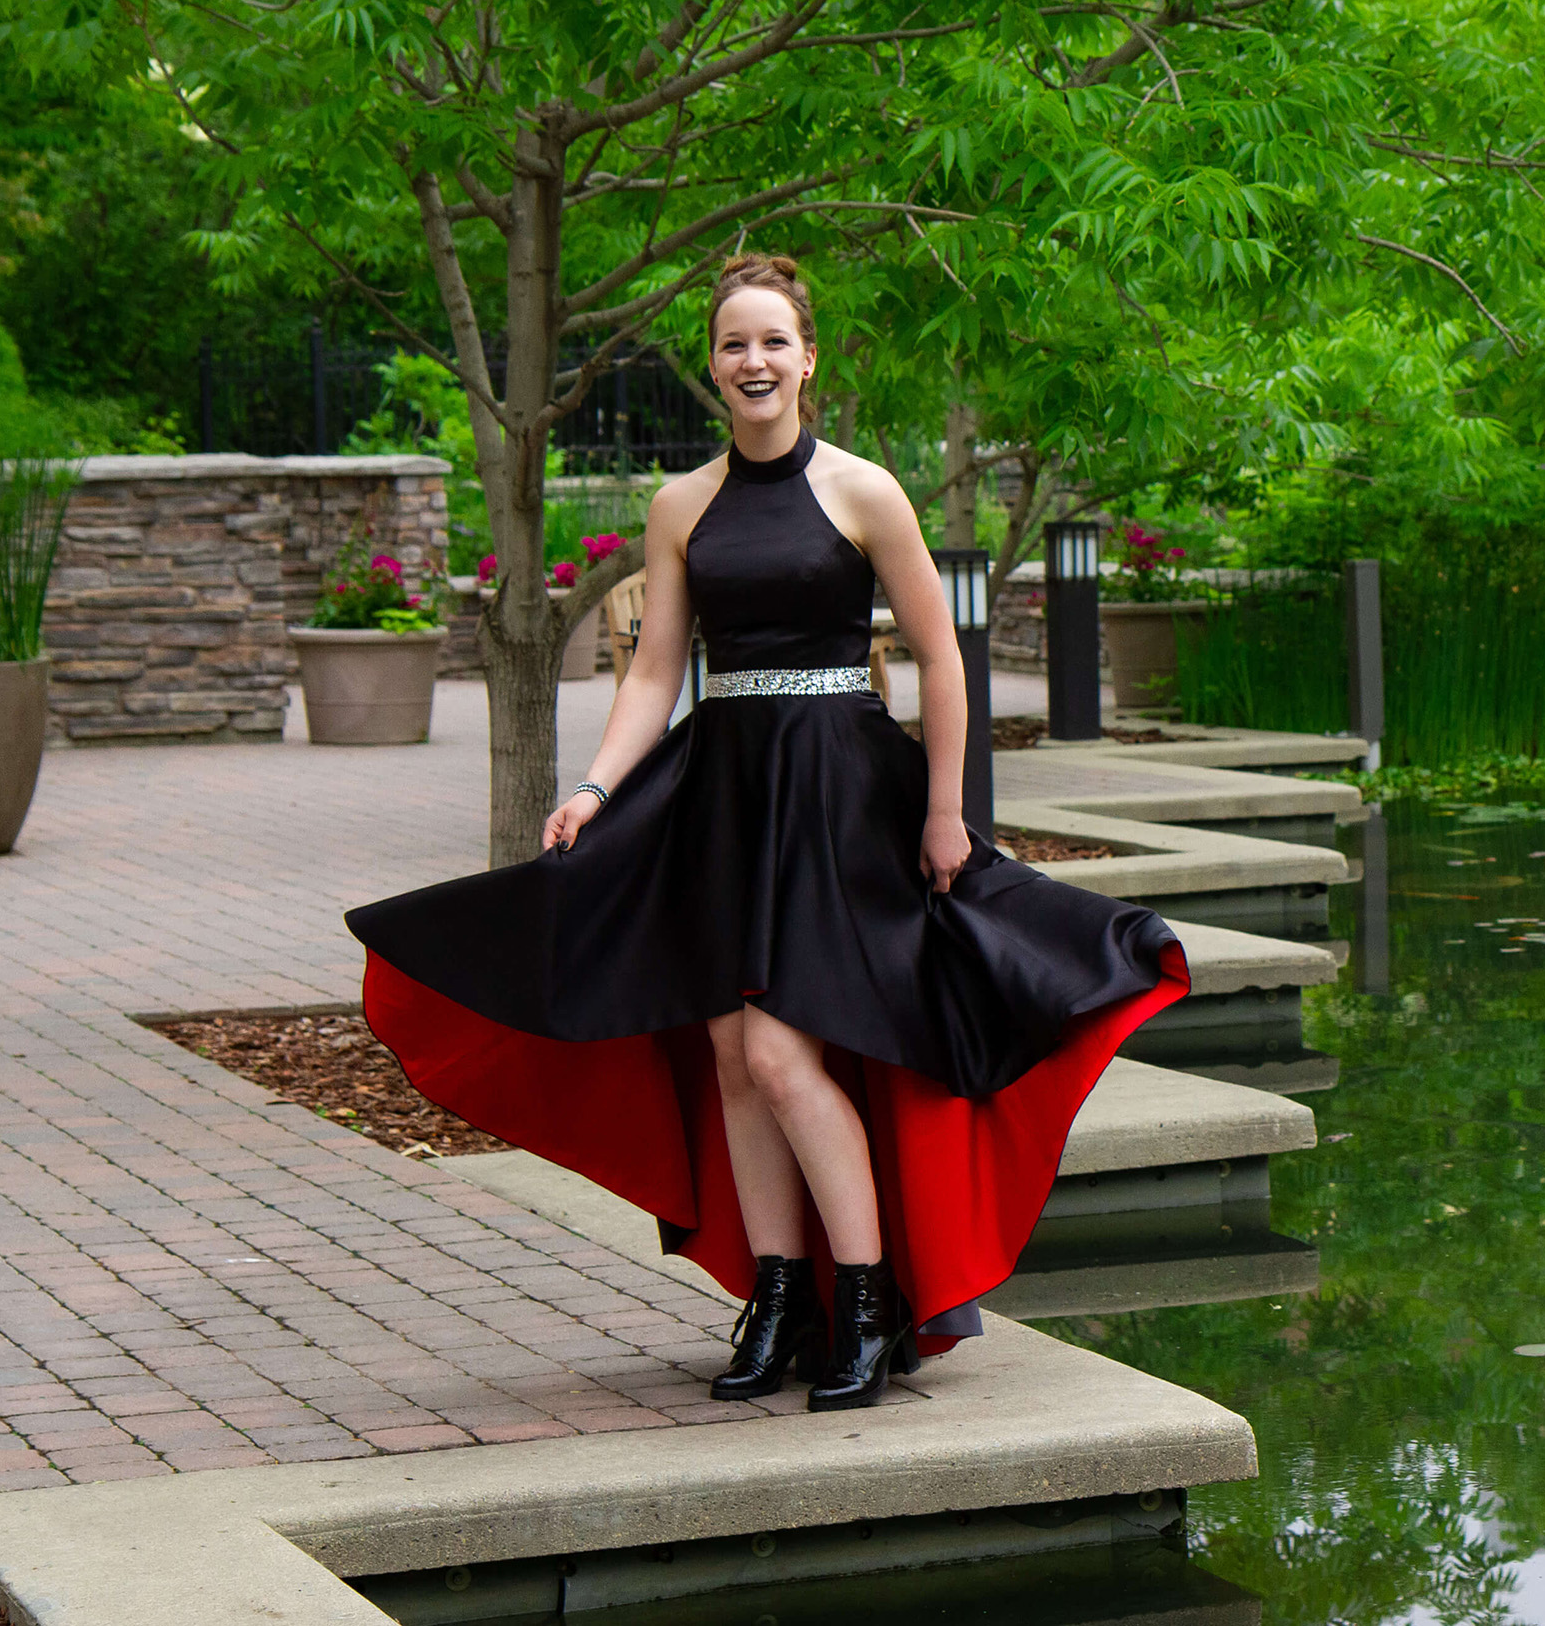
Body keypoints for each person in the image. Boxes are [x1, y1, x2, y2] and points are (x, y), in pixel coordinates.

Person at [346, 254, 1187, 1413]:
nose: (754, 361)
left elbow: (943, 659)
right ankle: (780, 1298)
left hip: (838, 787)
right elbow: (654, 669)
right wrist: (594, 786)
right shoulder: (679, 504)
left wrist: (946, 809)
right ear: (712, 366)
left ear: (807, 358)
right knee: (734, 1057)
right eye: (734, 344)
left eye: (773, 342)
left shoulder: (863, 490)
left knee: (788, 1051)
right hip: (722, 790)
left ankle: (867, 1295)